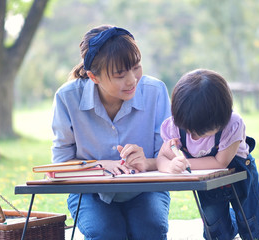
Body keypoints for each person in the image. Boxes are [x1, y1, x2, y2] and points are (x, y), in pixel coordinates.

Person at [51, 25, 171, 240]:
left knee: (149, 230)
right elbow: (60, 165)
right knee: (106, 233)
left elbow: (169, 156)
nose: (132, 80)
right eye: (119, 75)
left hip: (146, 189)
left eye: (136, 67)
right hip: (90, 192)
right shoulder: (67, 98)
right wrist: (98, 166)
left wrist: (147, 162)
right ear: (93, 77)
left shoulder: (156, 92)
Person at [157, 69, 259, 239]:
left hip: (240, 175)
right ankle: (231, 220)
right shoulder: (175, 126)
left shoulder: (232, 124)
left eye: (201, 133)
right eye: (189, 130)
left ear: (222, 119)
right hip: (208, 181)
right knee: (216, 234)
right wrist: (169, 166)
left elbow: (220, 162)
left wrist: (185, 162)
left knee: (252, 231)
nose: (193, 137)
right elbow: (162, 158)